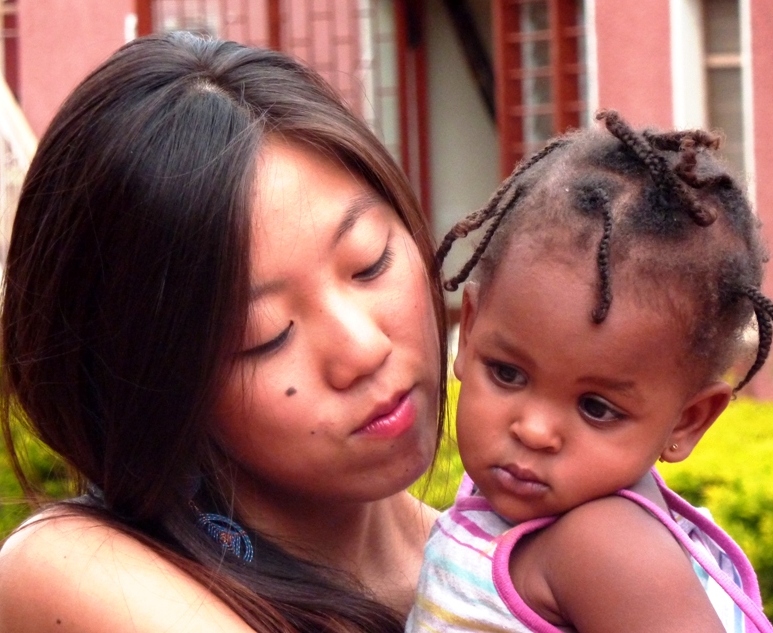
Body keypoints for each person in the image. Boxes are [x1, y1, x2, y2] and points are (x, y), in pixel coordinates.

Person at [0, 31, 450, 632]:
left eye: (371, 263)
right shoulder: (74, 567)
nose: (363, 349)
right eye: (267, 334)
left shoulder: (502, 563)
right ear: (146, 383)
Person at [406, 111, 773, 632]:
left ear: (688, 420)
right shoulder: (517, 508)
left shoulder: (606, 546)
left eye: (596, 408)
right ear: (471, 331)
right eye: (507, 374)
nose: (533, 430)